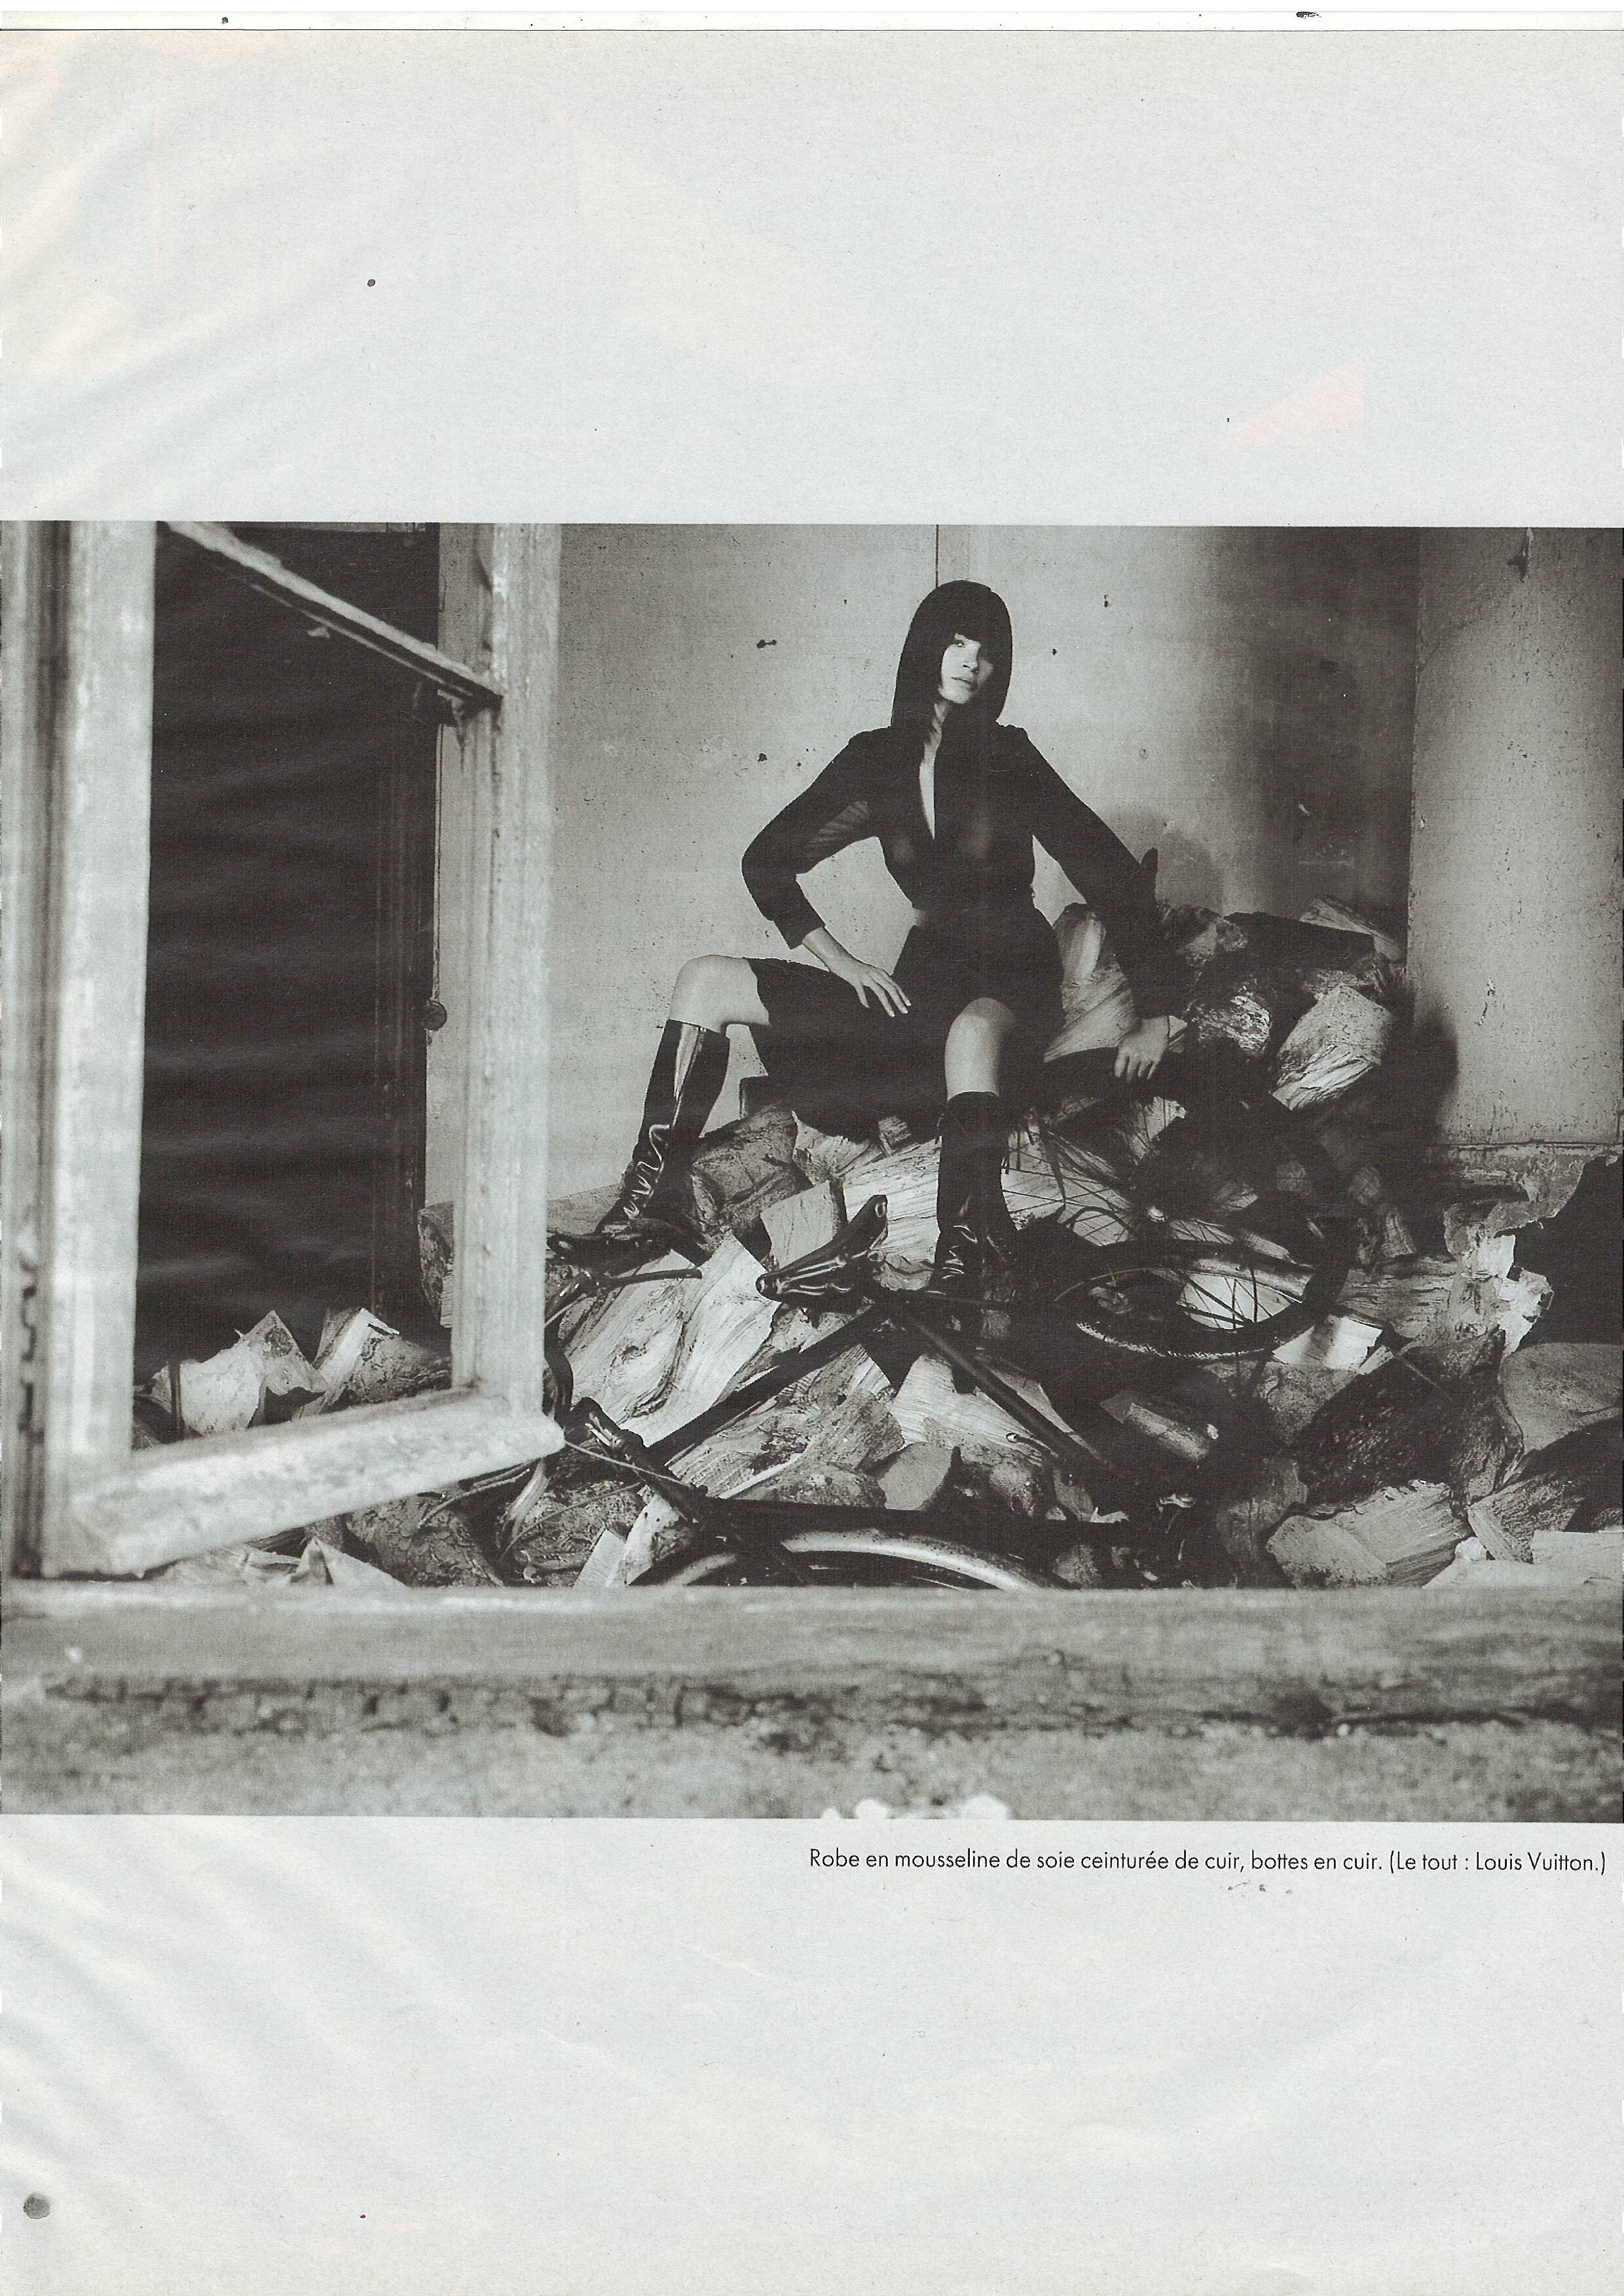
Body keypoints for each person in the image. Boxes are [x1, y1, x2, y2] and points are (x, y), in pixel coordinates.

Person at [555, 580, 1182, 1294]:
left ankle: (970, 1255)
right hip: (922, 985)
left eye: (986, 652)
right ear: (924, 648)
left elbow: (1105, 868)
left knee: (971, 1032)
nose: (969, 662)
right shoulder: (875, 760)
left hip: (1010, 973)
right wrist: (841, 962)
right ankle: (646, 1214)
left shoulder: (1009, 756)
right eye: (955, 642)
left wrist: (1156, 1013)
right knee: (705, 978)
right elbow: (768, 860)